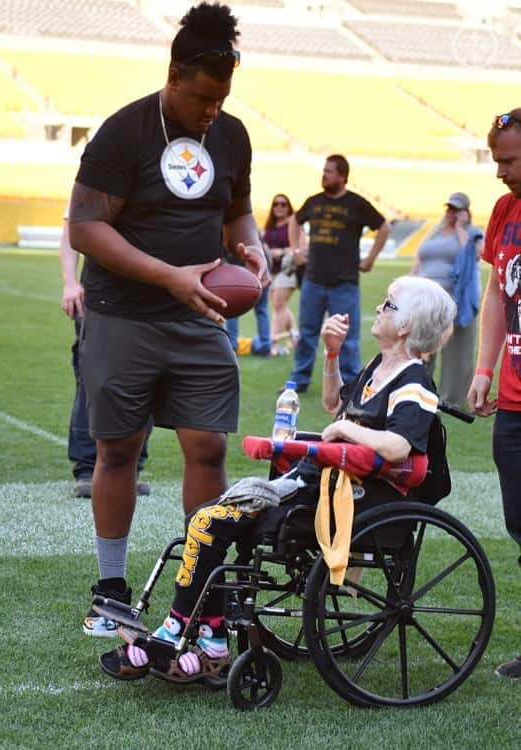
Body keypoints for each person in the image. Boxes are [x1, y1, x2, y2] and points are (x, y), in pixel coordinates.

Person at [99, 275, 456, 682]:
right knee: (208, 521)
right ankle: (208, 637)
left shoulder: (415, 382)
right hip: (324, 482)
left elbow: (397, 447)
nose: (378, 309)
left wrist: (344, 433)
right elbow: (333, 405)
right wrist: (332, 355)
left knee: (207, 522)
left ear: (407, 326)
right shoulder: (380, 367)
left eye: (389, 305)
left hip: (356, 497)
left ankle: (182, 631)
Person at [68, 3, 269, 637]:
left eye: (223, 97)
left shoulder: (232, 135)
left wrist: (253, 247)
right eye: (203, 97)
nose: (212, 110)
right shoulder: (124, 131)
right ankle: (110, 588)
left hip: (202, 313)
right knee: (119, 449)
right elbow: (85, 227)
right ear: (174, 75)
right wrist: (166, 276)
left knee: (208, 447)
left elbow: (236, 210)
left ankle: (199, 590)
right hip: (123, 313)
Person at [467, 108, 521, 680]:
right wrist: (485, 367)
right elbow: (496, 295)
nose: (499, 172)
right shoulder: (505, 210)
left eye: (508, 160)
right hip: (512, 401)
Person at [59, 218, 152, 498]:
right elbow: (72, 229)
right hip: (101, 293)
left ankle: (132, 466)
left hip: (152, 293)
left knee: (146, 378)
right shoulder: (100, 177)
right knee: (94, 379)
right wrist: (70, 282)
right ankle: (87, 468)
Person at [287, 155, 391, 391]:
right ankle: (299, 380)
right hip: (313, 280)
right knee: (307, 333)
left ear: (343, 176)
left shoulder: (357, 204)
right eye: (324, 171)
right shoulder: (313, 202)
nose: (324, 175)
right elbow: (294, 221)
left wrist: (371, 258)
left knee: (348, 339)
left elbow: (384, 227)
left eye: (329, 172)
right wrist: (295, 251)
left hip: (344, 283)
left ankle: (350, 383)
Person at [411, 192, 483, 404]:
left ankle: (452, 397)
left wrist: (461, 227)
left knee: (457, 352)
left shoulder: (472, 232)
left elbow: (473, 255)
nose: (451, 213)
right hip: (424, 298)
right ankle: (418, 390)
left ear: (465, 212)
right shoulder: (435, 232)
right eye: (449, 209)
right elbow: (420, 260)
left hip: (454, 298)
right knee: (421, 346)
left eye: (456, 209)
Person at [263, 193, 308, 357]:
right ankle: (295, 337)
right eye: (276, 204)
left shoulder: (294, 223)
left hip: (288, 269)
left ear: (289, 207)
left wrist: (281, 251)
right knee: (279, 305)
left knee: (278, 305)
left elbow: (302, 245)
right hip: (272, 269)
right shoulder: (270, 226)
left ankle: (272, 345)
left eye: (283, 204)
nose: (279, 207)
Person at [225, 235, 271, 356]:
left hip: (239, 275)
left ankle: (232, 346)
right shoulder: (255, 234)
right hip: (260, 272)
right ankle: (266, 345)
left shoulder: (229, 234)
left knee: (232, 310)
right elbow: (267, 253)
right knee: (262, 310)